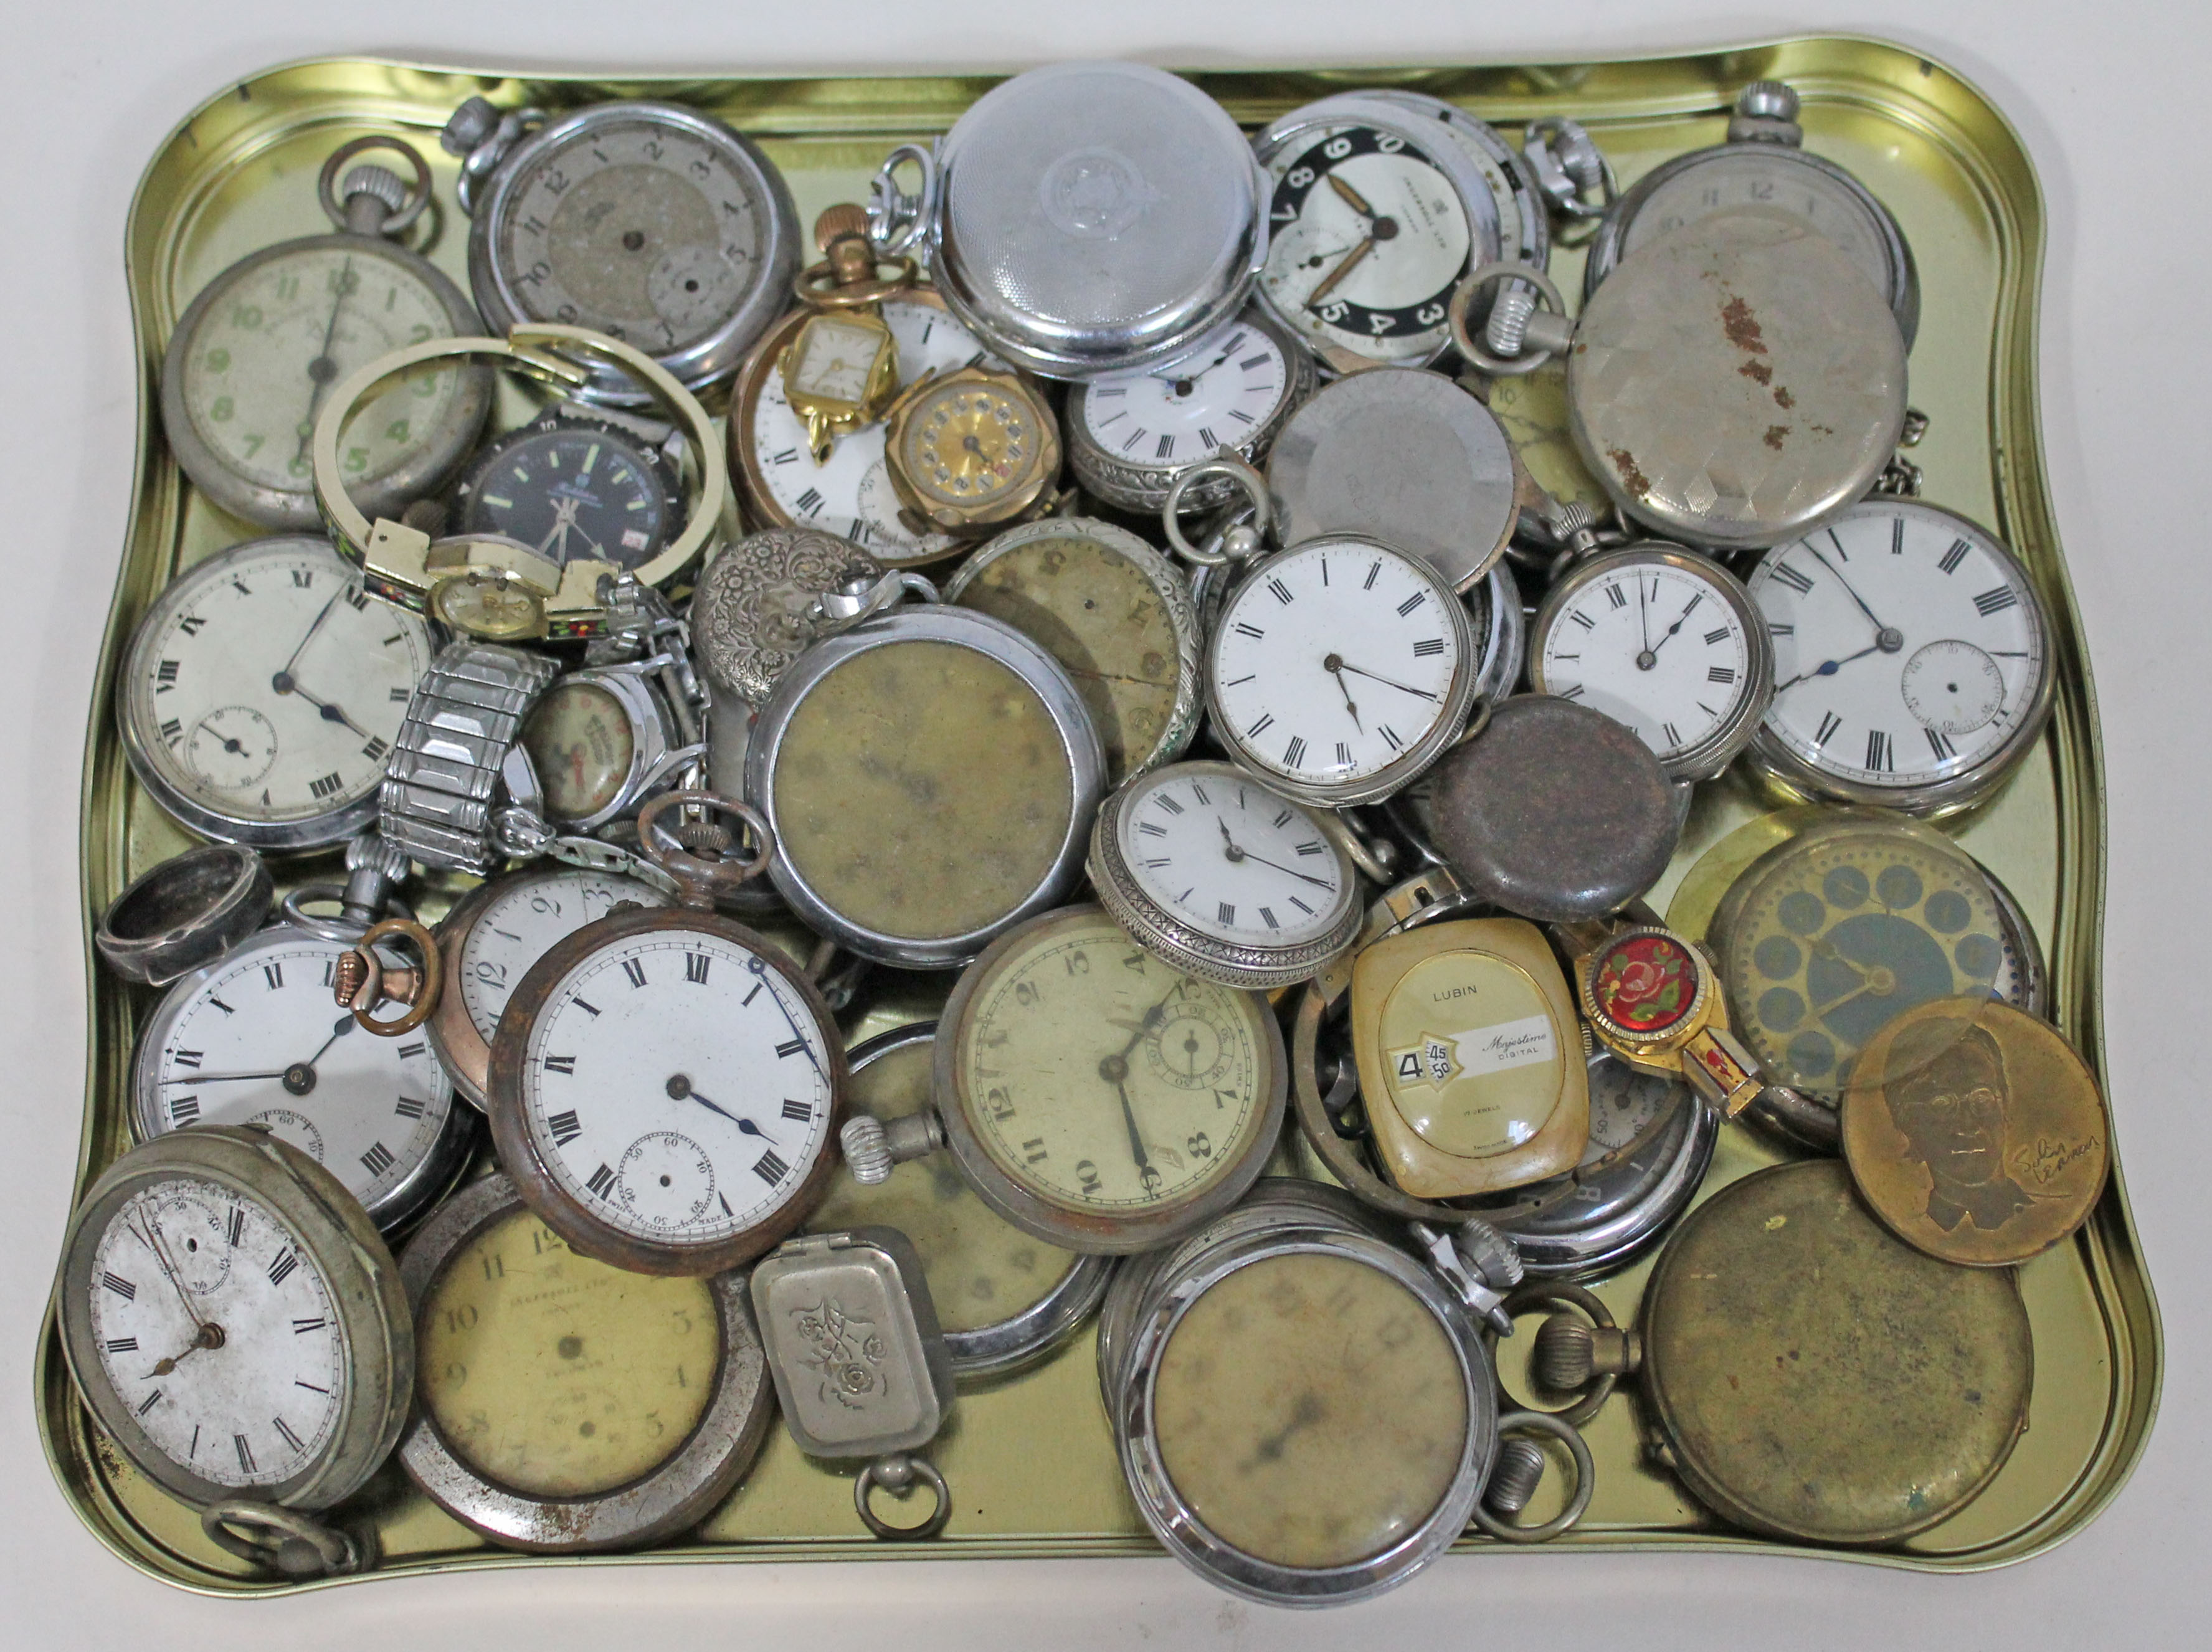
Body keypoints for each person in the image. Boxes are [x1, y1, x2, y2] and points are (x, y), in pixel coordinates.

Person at [1880, 1017, 2033, 1232]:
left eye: (1981, 1099)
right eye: (1942, 1104)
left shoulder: (2054, 1218)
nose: (1968, 1125)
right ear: (1908, 1122)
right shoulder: (1907, 1231)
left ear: (2004, 1106)